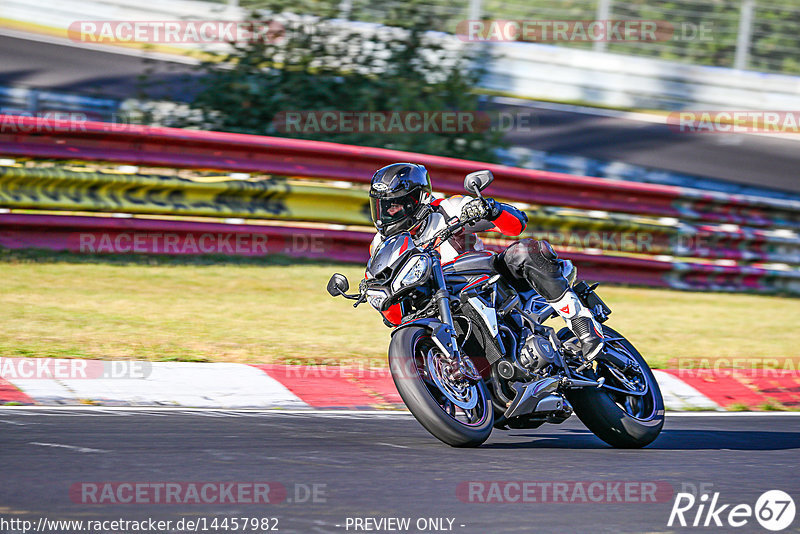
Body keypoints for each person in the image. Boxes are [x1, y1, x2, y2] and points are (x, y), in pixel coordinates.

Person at [368, 162, 604, 361]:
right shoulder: (381, 244)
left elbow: (517, 225)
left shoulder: (448, 209)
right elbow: (394, 315)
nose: (387, 213)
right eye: (382, 207)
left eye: (395, 205)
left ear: (417, 200)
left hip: (485, 279)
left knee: (526, 250)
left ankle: (580, 320)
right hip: (436, 304)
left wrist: (491, 209)